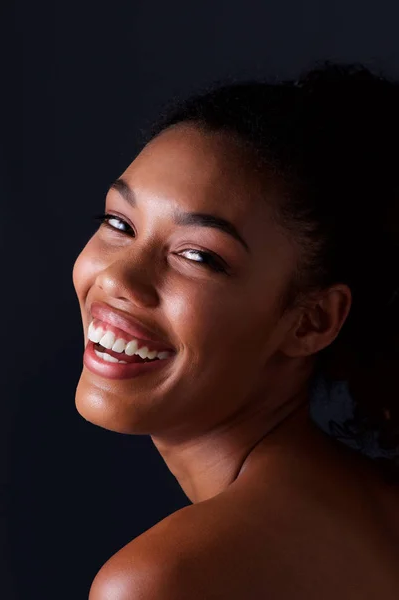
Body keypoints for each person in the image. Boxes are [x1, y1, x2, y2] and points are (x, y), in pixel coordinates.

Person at [72, 62, 399, 599]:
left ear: (311, 320)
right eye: (119, 224)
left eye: (198, 256)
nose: (117, 278)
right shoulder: (378, 507)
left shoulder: (164, 582)